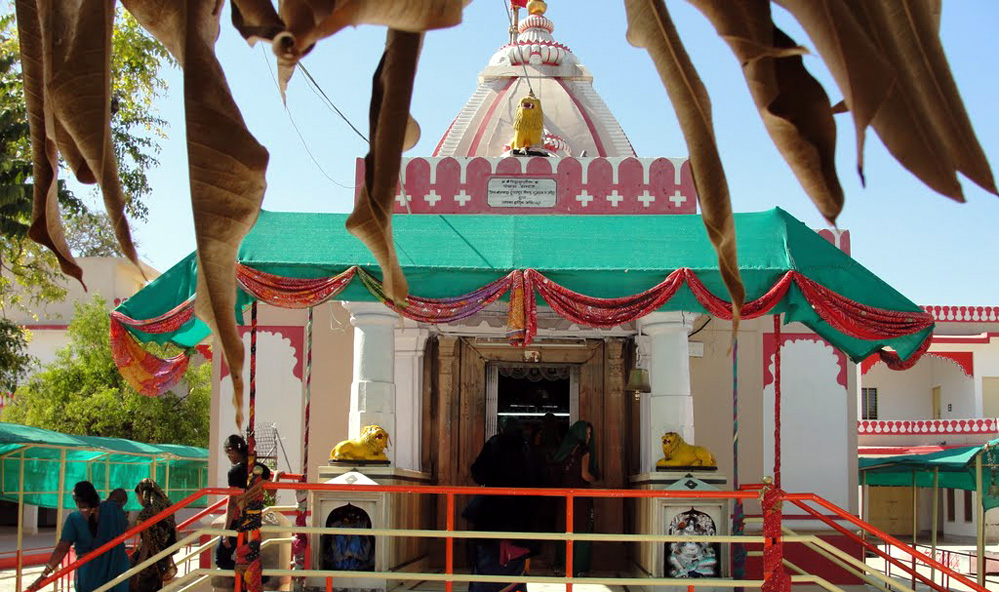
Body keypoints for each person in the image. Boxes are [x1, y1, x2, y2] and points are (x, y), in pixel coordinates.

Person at [463, 422, 538, 592]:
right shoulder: (526, 448)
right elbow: (537, 478)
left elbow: (478, 473)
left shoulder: (494, 443)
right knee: (515, 566)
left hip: (492, 515)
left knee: (487, 566)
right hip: (519, 517)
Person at [32, 481, 130, 592]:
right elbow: (121, 496)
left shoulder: (75, 519)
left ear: (77, 501)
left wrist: (44, 575)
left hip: (90, 572)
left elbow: (61, 549)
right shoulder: (114, 511)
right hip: (117, 568)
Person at [216, 434, 272, 571]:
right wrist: (275, 475)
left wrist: (225, 532)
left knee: (221, 559)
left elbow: (232, 503)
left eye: (229, 453)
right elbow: (273, 492)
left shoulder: (234, 472)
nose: (229, 457)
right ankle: (253, 577)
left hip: (238, 520)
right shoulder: (262, 469)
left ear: (232, 450)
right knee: (250, 554)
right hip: (255, 518)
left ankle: (250, 575)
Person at [553, 420, 598, 576]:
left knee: (564, 528)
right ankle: (578, 568)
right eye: (587, 433)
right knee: (581, 529)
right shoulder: (584, 451)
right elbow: (585, 475)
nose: (589, 436)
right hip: (579, 497)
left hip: (563, 496)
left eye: (590, 433)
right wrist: (596, 480)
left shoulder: (566, 450)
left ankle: (561, 566)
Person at [130, 479, 178, 592]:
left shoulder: (148, 514)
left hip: (148, 561)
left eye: (138, 496)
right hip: (162, 559)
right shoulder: (166, 509)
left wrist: (138, 568)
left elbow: (148, 543)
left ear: (142, 495)